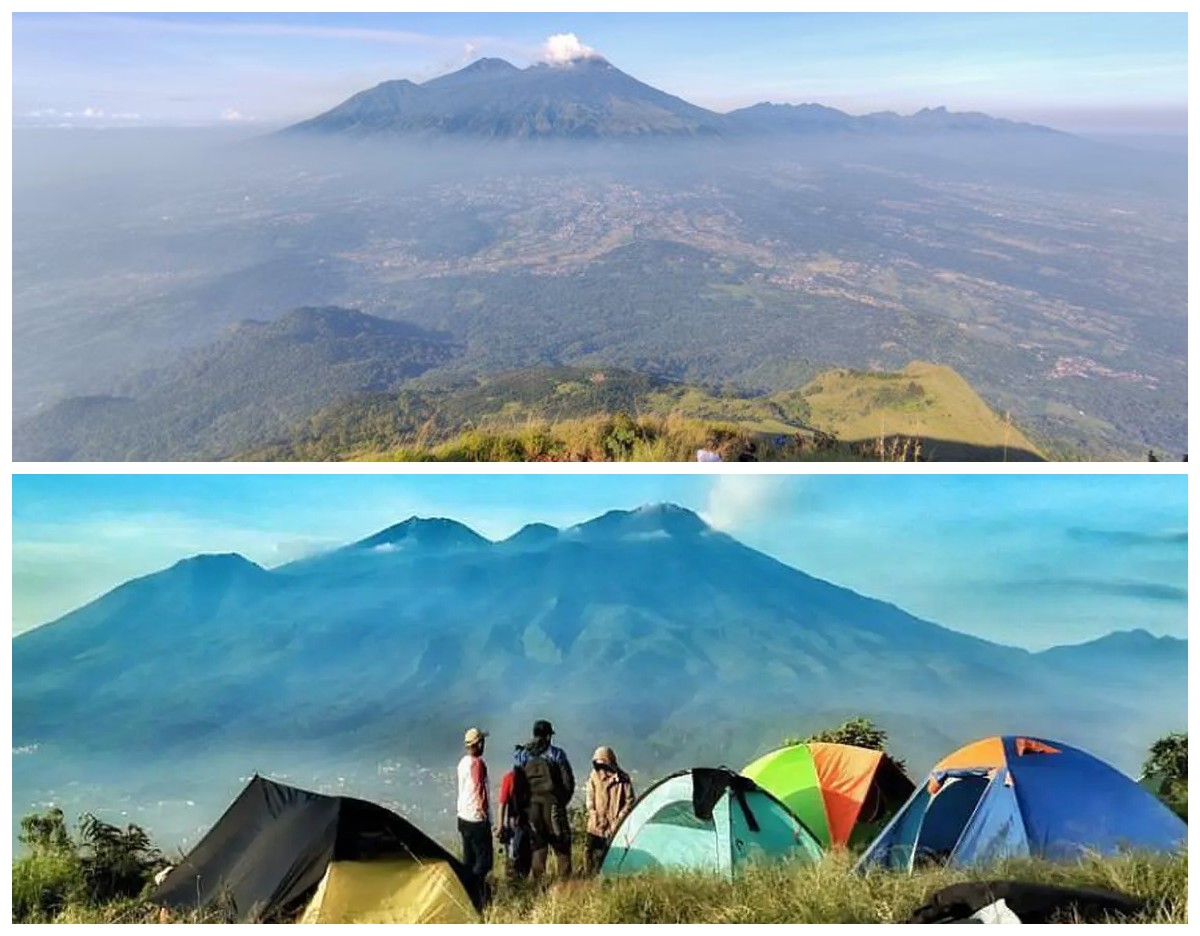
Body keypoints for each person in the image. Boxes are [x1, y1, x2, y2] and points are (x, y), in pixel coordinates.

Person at [512, 719, 575, 879]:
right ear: (548, 736)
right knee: (562, 848)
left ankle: (539, 888)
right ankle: (564, 886)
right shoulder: (556, 754)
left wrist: (523, 809)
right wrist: (561, 802)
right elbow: (568, 783)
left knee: (539, 847)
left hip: (532, 809)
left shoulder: (523, 755)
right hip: (553, 807)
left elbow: (518, 785)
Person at [584, 746, 635, 875]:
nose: (603, 770)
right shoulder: (594, 777)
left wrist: (618, 820)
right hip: (595, 825)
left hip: (614, 825)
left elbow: (629, 802)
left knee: (606, 856)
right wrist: (593, 814)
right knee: (589, 854)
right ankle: (588, 877)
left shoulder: (623, 779)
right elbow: (590, 798)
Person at [456, 727, 493, 902]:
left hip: (463, 816)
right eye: (482, 742)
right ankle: (477, 891)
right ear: (478, 744)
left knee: (469, 860)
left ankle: (466, 892)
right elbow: (479, 788)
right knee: (484, 861)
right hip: (476, 818)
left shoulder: (462, 762)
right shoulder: (477, 763)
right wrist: (484, 812)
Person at [495, 762, 531, 878]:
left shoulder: (509, 778)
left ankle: (513, 880)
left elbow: (502, 803)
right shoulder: (532, 778)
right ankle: (525, 877)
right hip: (530, 821)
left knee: (513, 852)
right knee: (526, 852)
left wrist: (500, 826)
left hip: (514, 821)